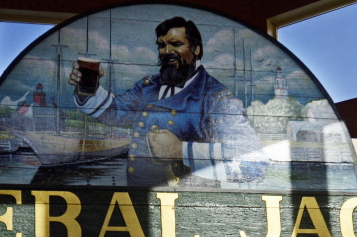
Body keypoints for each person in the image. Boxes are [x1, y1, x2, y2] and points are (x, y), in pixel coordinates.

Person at [69, 16, 268, 188]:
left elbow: (253, 164)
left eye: (177, 44)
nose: (167, 51)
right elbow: (112, 112)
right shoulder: (149, 85)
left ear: (196, 49)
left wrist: (180, 150)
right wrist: (87, 90)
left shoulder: (215, 97)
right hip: (136, 202)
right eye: (162, 45)